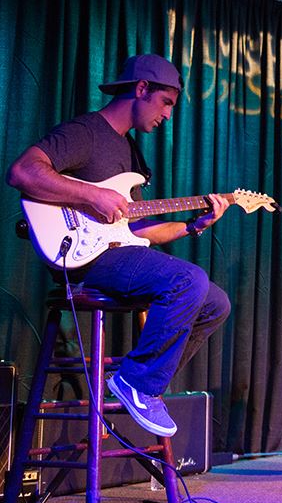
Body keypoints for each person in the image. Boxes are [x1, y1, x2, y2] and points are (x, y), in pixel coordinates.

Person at [6, 54, 231, 437]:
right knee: (188, 280)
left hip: (121, 253)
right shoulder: (86, 132)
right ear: (142, 88)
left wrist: (194, 225)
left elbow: (138, 230)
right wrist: (92, 196)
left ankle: (138, 382)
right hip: (83, 259)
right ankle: (138, 385)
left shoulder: (132, 154)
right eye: (166, 103)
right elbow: (23, 171)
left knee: (215, 302)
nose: (168, 116)